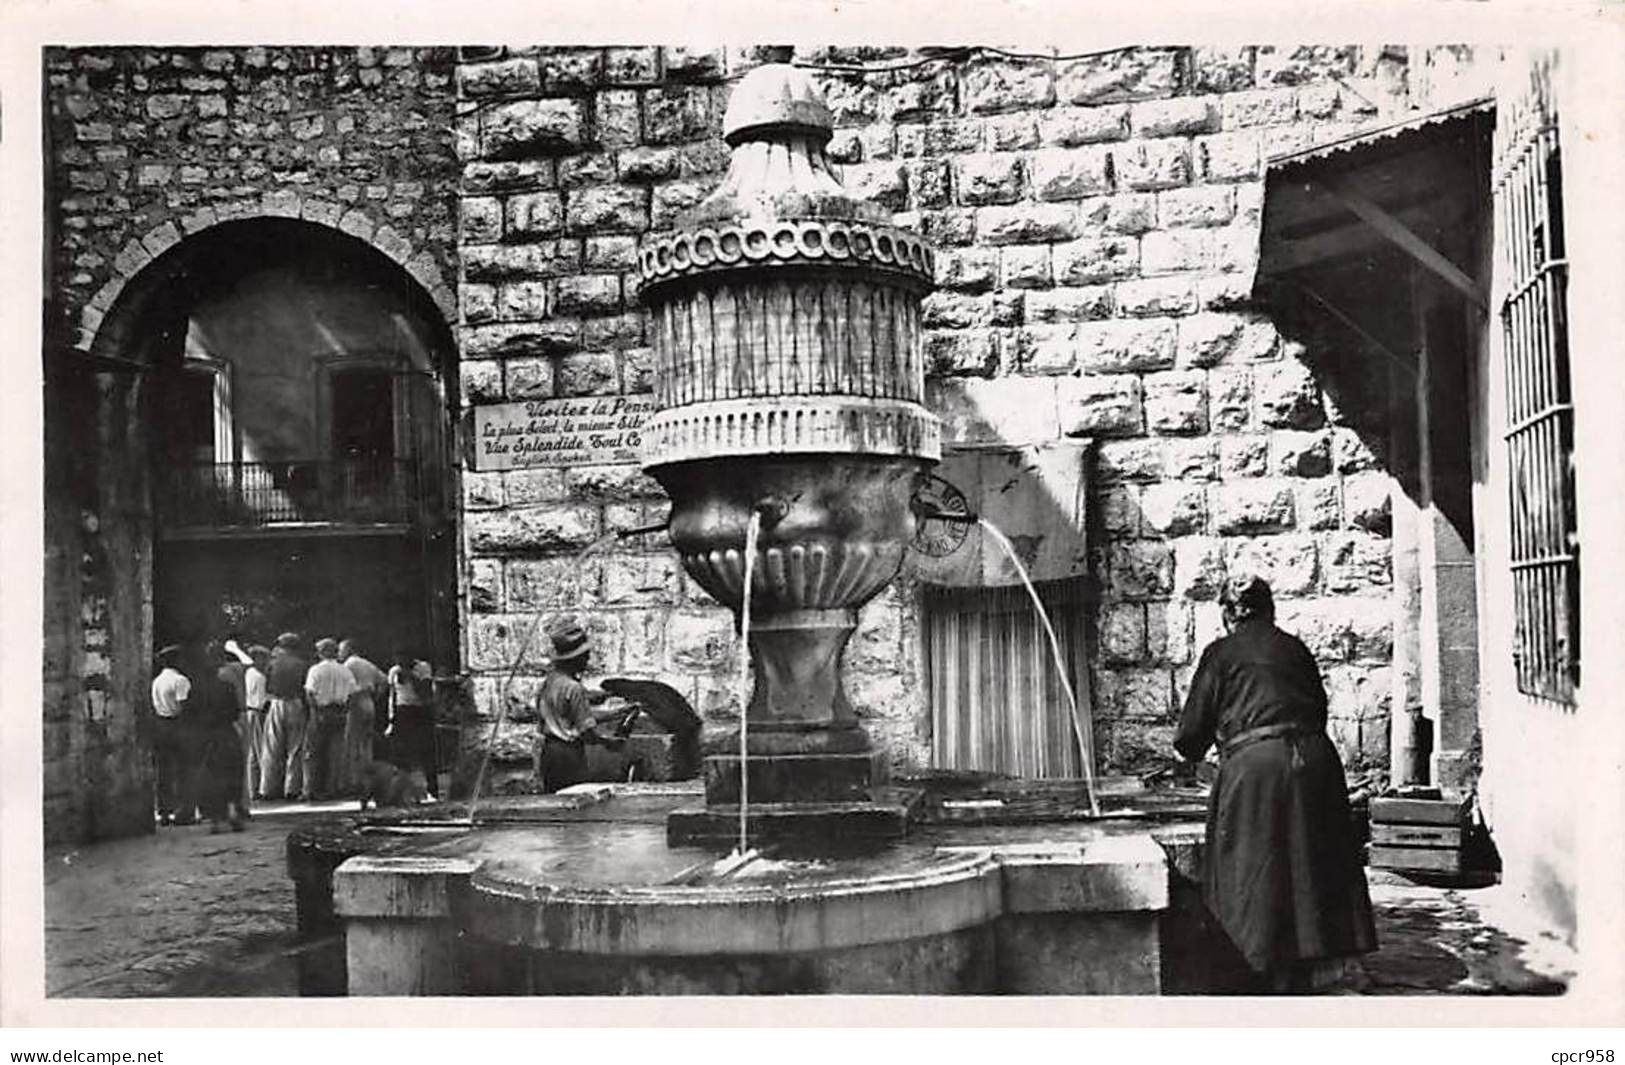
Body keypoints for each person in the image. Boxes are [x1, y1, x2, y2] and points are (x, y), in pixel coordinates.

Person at [1174, 573, 1378, 993]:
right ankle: (1326, 963)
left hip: (1256, 767)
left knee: (1249, 862)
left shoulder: (1221, 654)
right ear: (1270, 609)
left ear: (1229, 614)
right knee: (1314, 859)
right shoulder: (1295, 649)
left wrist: (1189, 754)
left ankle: (1257, 965)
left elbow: (1192, 731)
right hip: (1315, 759)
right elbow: (1317, 709)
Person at [533, 616, 622, 794]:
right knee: (574, 803)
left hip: (549, 754)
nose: (588, 660)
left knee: (554, 802)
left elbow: (572, 714)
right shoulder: (573, 688)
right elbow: (586, 730)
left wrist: (616, 712)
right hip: (569, 756)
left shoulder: (549, 682)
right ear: (576, 659)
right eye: (585, 656)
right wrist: (608, 742)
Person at [190, 642, 249, 833]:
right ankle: (232, 809)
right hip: (226, 733)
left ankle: (214, 818)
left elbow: (190, 714)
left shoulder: (196, 689)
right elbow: (234, 712)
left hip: (205, 736)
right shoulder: (226, 687)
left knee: (209, 777)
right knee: (232, 772)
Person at [304, 637, 360, 801]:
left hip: (321, 710)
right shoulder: (345, 671)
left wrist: (314, 713)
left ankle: (314, 789)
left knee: (315, 752)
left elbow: (310, 693)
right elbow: (352, 694)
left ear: (321, 653)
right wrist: (345, 710)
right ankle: (333, 787)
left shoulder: (315, 670)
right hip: (339, 712)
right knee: (335, 752)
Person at [150, 643, 195, 827]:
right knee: (183, 769)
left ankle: (164, 811)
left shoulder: (157, 681)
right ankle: (183, 810)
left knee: (163, 771)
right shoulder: (181, 681)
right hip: (178, 724)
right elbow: (184, 707)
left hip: (161, 725)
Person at [260, 632, 309, 801]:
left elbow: (267, 687)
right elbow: (305, 688)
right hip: (296, 703)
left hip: (276, 703)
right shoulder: (302, 665)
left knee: (272, 748)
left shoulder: (272, 664)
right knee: (295, 748)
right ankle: (292, 788)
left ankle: (268, 788)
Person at [386, 650, 439, 798]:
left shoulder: (423, 668)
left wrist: (410, 676)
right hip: (402, 710)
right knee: (402, 753)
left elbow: (425, 692)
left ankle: (432, 788)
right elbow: (392, 695)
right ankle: (403, 790)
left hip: (420, 709)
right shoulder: (394, 671)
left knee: (426, 750)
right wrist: (391, 719)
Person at [339, 638, 388, 794]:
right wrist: (376, 697)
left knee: (352, 743)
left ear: (349, 649)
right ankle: (368, 779)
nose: (339, 653)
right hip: (368, 702)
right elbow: (385, 681)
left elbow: (345, 687)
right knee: (366, 744)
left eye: (341, 650)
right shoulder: (367, 664)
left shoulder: (348, 665)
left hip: (355, 703)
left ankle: (354, 781)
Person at [217, 635, 253, 819]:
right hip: (238, 716)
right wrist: (236, 649)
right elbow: (250, 662)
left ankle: (219, 810)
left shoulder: (213, 674)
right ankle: (241, 806)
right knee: (240, 764)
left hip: (218, 721)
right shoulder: (235, 669)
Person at [243, 645, 271, 800]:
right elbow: (261, 700)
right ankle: (261, 787)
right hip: (257, 712)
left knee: (253, 752)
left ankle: (252, 788)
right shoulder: (259, 677)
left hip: (249, 711)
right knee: (260, 750)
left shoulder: (248, 673)